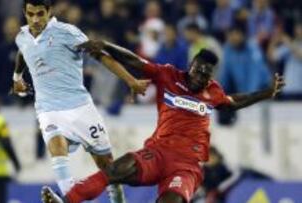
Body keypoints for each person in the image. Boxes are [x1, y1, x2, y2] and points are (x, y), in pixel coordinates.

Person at [41, 40, 285, 203]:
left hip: (186, 166)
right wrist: (106, 45)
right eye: (198, 69)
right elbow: (135, 61)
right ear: (191, 65)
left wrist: (267, 92)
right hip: (157, 153)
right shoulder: (168, 75)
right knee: (114, 170)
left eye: (206, 73)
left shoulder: (214, 91)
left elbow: (235, 101)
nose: (201, 77)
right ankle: (68, 200)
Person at [11, 0, 147, 202]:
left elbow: (100, 56)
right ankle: (69, 198)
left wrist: (131, 80)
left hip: (81, 108)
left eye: (40, 14)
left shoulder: (68, 32)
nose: (35, 19)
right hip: (48, 110)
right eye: (30, 14)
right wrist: (17, 78)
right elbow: (24, 52)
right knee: (56, 147)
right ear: (25, 13)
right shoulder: (22, 37)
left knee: (108, 166)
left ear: (49, 12)